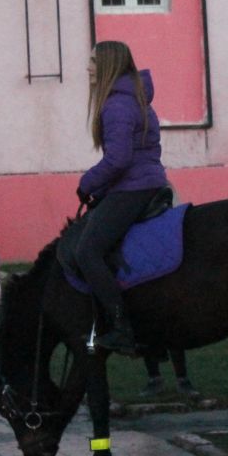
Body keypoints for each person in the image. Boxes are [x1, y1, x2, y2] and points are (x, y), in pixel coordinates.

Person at [77, 40, 169, 357]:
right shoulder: (133, 99)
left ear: (108, 66)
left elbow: (118, 159)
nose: (88, 67)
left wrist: (86, 183)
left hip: (134, 187)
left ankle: (121, 328)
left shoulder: (117, 104)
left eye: (93, 61)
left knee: (87, 251)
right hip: (143, 182)